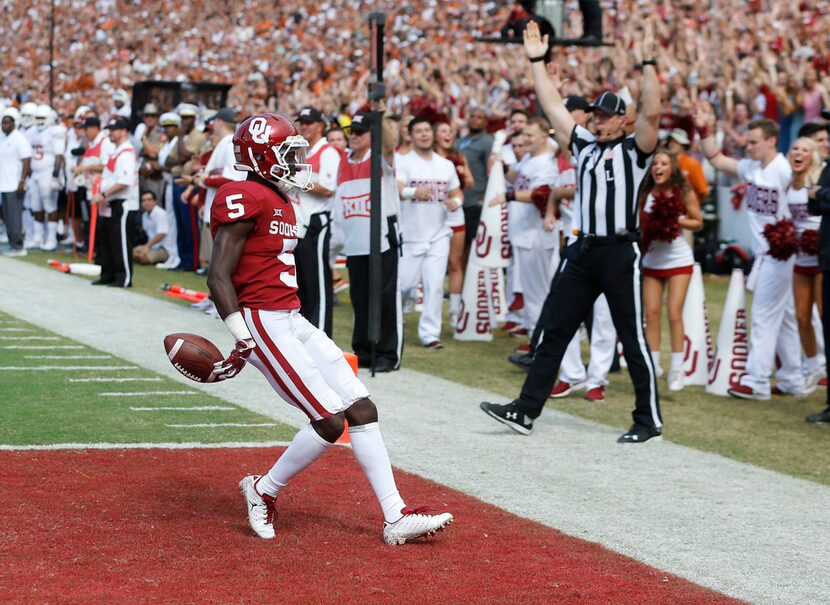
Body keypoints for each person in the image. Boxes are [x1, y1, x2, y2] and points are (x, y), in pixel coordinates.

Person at [206, 112, 452, 543]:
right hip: (262, 321)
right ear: (262, 157)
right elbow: (218, 274)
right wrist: (240, 333)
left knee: (362, 408)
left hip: (291, 317)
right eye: (287, 154)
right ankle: (263, 490)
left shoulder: (279, 196)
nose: (297, 162)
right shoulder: (243, 194)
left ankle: (396, 517)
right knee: (328, 420)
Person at [480, 20, 663, 444]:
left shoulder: (636, 150)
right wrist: (536, 62)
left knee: (631, 339)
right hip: (582, 250)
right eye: (595, 114)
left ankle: (647, 420)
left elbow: (653, 111)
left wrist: (650, 62)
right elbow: (552, 107)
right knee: (554, 332)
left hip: (619, 251)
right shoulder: (584, 146)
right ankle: (525, 410)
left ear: (622, 121)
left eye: (605, 115)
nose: (597, 121)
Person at [696, 110, 814, 399]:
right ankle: (791, 379)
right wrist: (704, 130)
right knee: (784, 317)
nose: (748, 147)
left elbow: (803, 203)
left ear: (772, 141)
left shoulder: (785, 170)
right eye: (748, 142)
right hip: (768, 254)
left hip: (781, 252)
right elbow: (718, 159)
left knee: (762, 315)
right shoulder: (751, 167)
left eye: (754, 142)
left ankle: (757, 381)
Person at [334, 109, 403, 371]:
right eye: (352, 131)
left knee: (385, 297)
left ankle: (387, 353)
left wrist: (380, 114)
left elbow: (388, 144)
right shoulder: (345, 160)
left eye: (361, 132)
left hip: (382, 238)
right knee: (359, 297)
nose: (354, 136)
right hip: (355, 241)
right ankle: (362, 349)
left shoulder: (381, 159)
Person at [397, 116, 464, 349]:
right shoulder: (404, 161)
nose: (424, 134)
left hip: (438, 234)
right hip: (410, 234)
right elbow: (397, 189)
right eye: (419, 131)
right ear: (411, 135)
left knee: (435, 285)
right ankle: (396, 322)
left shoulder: (445, 165)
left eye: (427, 130)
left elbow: (457, 192)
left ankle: (430, 334)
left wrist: (456, 200)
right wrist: (413, 192)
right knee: (404, 285)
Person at [640, 150, 703, 391]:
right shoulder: (644, 192)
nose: (658, 167)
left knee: (674, 312)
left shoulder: (683, 190)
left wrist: (673, 220)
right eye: (655, 163)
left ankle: (678, 368)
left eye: (664, 163)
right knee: (651, 314)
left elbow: (697, 221)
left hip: (678, 258)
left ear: (672, 168)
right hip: (652, 259)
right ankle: (653, 364)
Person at [294, 107, 342, 336]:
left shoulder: (327, 153)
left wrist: (299, 180)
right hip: (299, 224)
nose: (304, 126)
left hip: (317, 222)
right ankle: (305, 332)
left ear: (320, 125)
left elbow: (327, 189)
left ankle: (322, 333)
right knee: (301, 283)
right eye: (301, 122)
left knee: (318, 283)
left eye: (308, 122)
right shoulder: (299, 151)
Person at [787, 138, 825, 391]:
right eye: (795, 149)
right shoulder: (787, 182)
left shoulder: (820, 179)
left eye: (805, 150)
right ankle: (813, 366)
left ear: (813, 155)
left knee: (823, 315)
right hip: (799, 257)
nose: (798, 153)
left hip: (821, 256)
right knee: (801, 316)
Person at [90, 117, 139, 287]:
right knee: (108, 241)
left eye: (114, 129)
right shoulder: (116, 151)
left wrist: (103, 194)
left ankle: (123, 277)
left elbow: (124, 181)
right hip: (110, 203)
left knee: (121, 242)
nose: (110, 133)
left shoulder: (126, 152)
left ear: (124, 131)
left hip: (122, 202)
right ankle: (108, 274)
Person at [434, 121, 472, 327]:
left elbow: (470, 182)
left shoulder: (459, 157)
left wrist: (462, 173)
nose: (448, 134)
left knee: (455, 263)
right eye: (443, 131)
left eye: (450, 131)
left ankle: (455, 309)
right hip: (432, 215)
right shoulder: (426, 157)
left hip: (454, 214)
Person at [807, 133, 830, 423]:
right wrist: (817, 196)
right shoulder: (828, 165)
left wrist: (818, 194)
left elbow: (818, 196)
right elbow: (813, 203)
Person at [456, 107, 493, 256]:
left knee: (471, 244)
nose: (475, 119)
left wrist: (485, 196)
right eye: (472, 116)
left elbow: (491, 171)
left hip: (475, 198)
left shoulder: (487, 141)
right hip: (459, 197)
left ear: (485, 122)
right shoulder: (460, 141)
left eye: (479, 117)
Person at [0, 107, 32, 257]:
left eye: (7, 122)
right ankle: (13, 244)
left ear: (14, 123)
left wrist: (22, 181)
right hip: (3, 183)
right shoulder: (3, 138)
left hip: (14, 183)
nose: (4, 125)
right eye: (3, 122)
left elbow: (26, 160)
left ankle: (19, 246)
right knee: (6, 216)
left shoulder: (19, 138)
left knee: (14, 216)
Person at [133, 190, 175, 265]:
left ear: (155, 201)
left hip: (164, 248)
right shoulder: (144, 215)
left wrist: (147, 246)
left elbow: (161, 234)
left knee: (144, 258)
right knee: (131, 252)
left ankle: (144, 257)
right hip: (151, 247)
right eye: (144, 200)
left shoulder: (160, 213)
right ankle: (141, 256)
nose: (146, 203)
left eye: (149, 200)